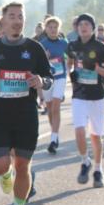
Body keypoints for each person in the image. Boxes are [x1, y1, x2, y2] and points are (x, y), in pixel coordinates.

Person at [0, 2, 52, 205]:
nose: (16, 20)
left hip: (25, 116)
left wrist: (41, 81)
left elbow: (49, 77)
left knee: (23, 164)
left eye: (20, 16)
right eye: (11, 16)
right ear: (2, 21)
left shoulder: (34, 48)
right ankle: (5, 176)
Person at [67, 13, 104, 187]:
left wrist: (97, 69)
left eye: (87, 24)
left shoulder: (101, 48)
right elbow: (70, 62)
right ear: (77, 27)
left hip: (97, 96)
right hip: (79, 95)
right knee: (79, 130)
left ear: (93, 28)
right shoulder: (72, 46)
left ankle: (98, 169)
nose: (83, 27)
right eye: (81, 24)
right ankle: (84, 160)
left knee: (95, 136)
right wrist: (70, 73)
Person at [38, 16, 69, 153]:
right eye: (50, 27)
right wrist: (44, 57)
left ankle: (53, 139)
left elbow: (72, 57)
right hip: (47, 79)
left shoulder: (64, 43)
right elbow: (37, 63)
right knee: (50, 108)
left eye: (55, 27)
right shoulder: (42, 43)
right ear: (46, 28)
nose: (53, 30)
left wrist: (70, 69)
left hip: (60, 78)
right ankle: (54, 134)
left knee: (56, 107)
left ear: (59, 29)